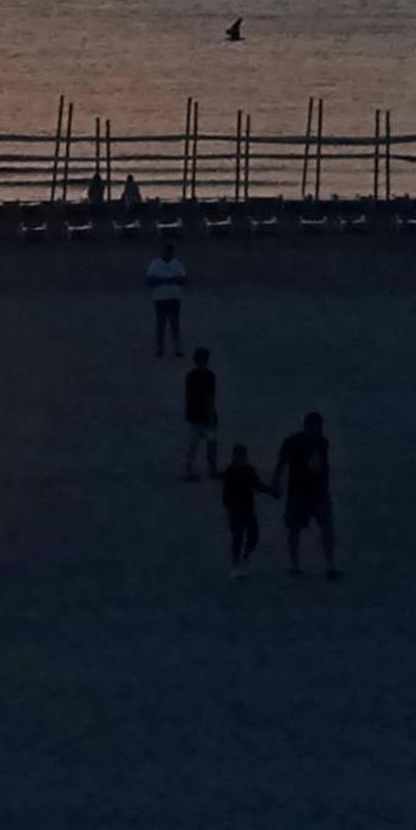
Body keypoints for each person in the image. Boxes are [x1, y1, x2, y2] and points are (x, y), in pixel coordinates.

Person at [270, 411, 340, 579]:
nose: (316, 430)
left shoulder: (322, 443)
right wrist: (275, 483)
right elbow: (281, 464)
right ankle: (295, 565)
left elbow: (324, 466)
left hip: (318, 492)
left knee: (326, 529)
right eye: (314, 426)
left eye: (318, 427)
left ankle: (330, 565)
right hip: (299, 493)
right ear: (307, 426)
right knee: (296, 530)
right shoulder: (293, 443)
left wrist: (326, 487)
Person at [218, 444, 276, 579]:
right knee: (238, 537)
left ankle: (243, 558)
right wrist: (229, 507)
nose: (240, 459)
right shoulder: (230, 472)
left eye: (242, 456)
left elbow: (257, 484)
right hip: (235, 509)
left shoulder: (248, 471)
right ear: (234, 457)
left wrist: (270, 491)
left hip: (248, 508)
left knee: (254, 535)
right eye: (238, 456)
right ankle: (236, 564)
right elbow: (226, 493)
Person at [145, 242, 187, 358]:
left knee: (175, 325)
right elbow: (149, 281)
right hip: (160, 299)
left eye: (169, 252)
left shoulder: (177, 264)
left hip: (173, 298)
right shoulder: (155, 264)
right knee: (160, 325)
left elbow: (183, 280)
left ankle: (177, 349)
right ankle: (160, 349)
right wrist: (170, 280)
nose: (167, 254)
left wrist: (163, 280)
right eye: (165, 251)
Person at [183, 347, 218, 479]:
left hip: (195, 415)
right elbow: (209, 398)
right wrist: (211, 416)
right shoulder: (210, 376)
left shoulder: (191, 376)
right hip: (203, 415)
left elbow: (188, 397)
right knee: (209, 443)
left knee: (196, 444)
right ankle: (210, 469)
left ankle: (191, 469)